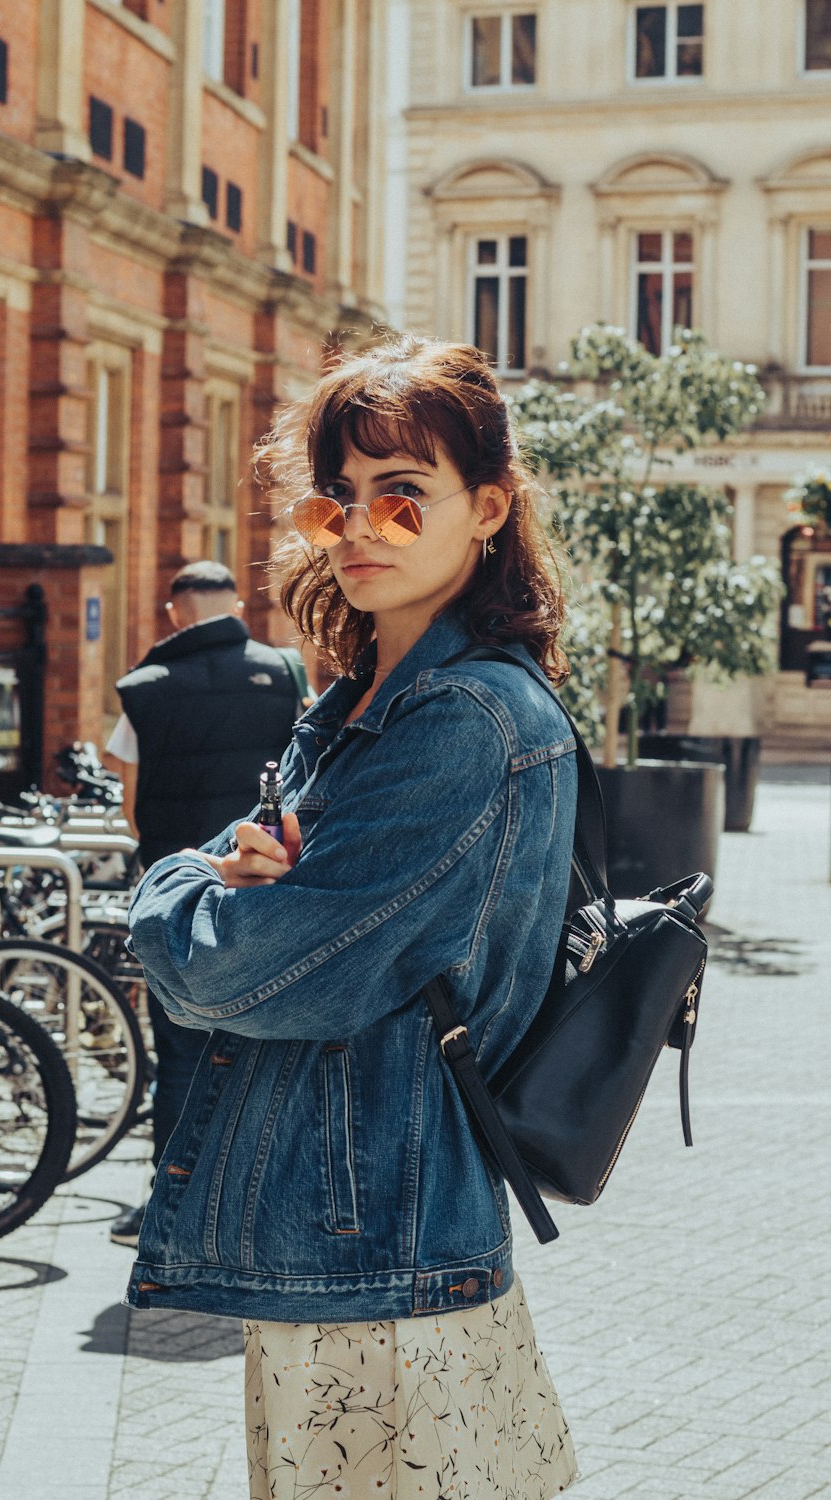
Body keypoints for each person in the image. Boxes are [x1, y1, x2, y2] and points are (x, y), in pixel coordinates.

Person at [124, 336, 580, 1497]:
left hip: (385, 1248)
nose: (366, 527)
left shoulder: (464, 720)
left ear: (486, 508)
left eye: (403, 495)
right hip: (337, 1238)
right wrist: (240, 874)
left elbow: (245, 974)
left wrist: (168, 890)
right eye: (342, 502)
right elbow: (274, 916)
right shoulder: (356, 700)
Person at [104, 561, 307, 1246]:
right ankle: (254, 1208)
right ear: (237, 605)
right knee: (263, 1046)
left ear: (173, 614)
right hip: (268, 890)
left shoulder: (144, 690)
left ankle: (171, 1206)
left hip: (182, 894)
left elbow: (129, 806)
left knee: (182, 1053)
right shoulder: (283, 674)